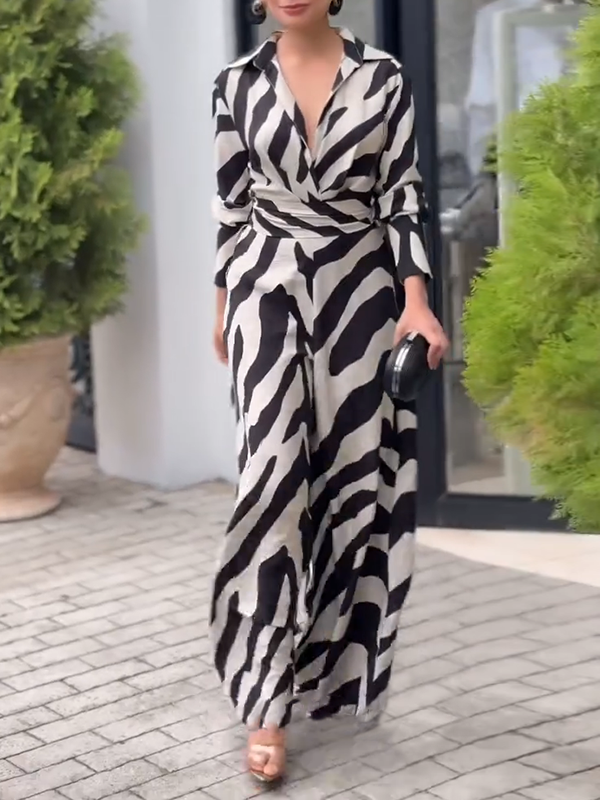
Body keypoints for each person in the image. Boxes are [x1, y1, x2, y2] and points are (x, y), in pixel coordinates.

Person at [210, 0, 449, 784]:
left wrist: (416, 301)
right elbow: (231, 204)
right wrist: (222, 307)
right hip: (264, 291)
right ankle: (264, 700)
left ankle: (328, 670)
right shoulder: (235, 84)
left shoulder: (384, 77)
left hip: (360, 293)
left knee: (351, 487)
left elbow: (402, 194)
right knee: (271, 483)